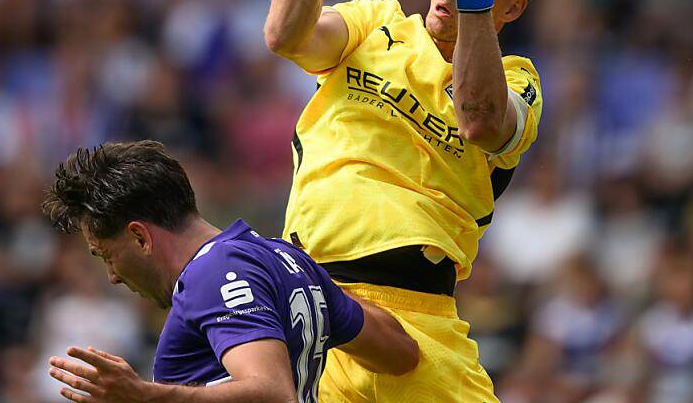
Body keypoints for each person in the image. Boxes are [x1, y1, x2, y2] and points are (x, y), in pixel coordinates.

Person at [264, 0, 557, 401]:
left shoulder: (519, 80)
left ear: (513, 8)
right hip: (314, 307)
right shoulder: (374, 24)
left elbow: (481, 121)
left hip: (419, 319)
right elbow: (284, 35)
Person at [40, 140, 418, 403]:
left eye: (106, 255)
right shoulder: (283, 260)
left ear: (139, 237)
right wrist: (316, 285)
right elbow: (401, 352)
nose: (113, 277)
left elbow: (272, 392)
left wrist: (144, 395)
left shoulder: (213, 273)